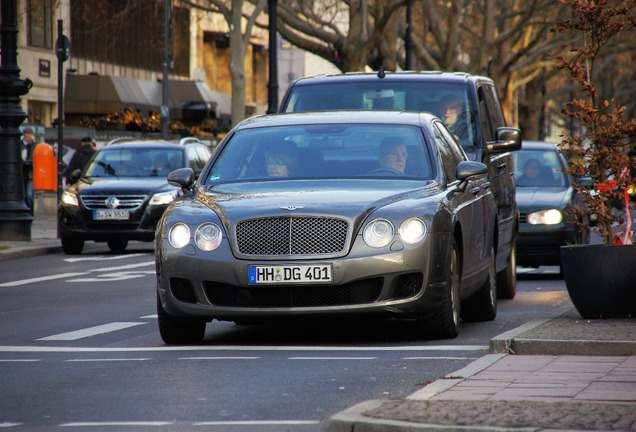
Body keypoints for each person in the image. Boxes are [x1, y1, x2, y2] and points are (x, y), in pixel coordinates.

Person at [21, 127, 36, 211]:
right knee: (23, 195)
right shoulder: (21, 145)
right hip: (22, 172)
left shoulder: (34, 145)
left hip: (31, 173)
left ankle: (30, 211)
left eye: (28, 134)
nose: (27, 135)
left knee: (29, 194)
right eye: (25, 134)